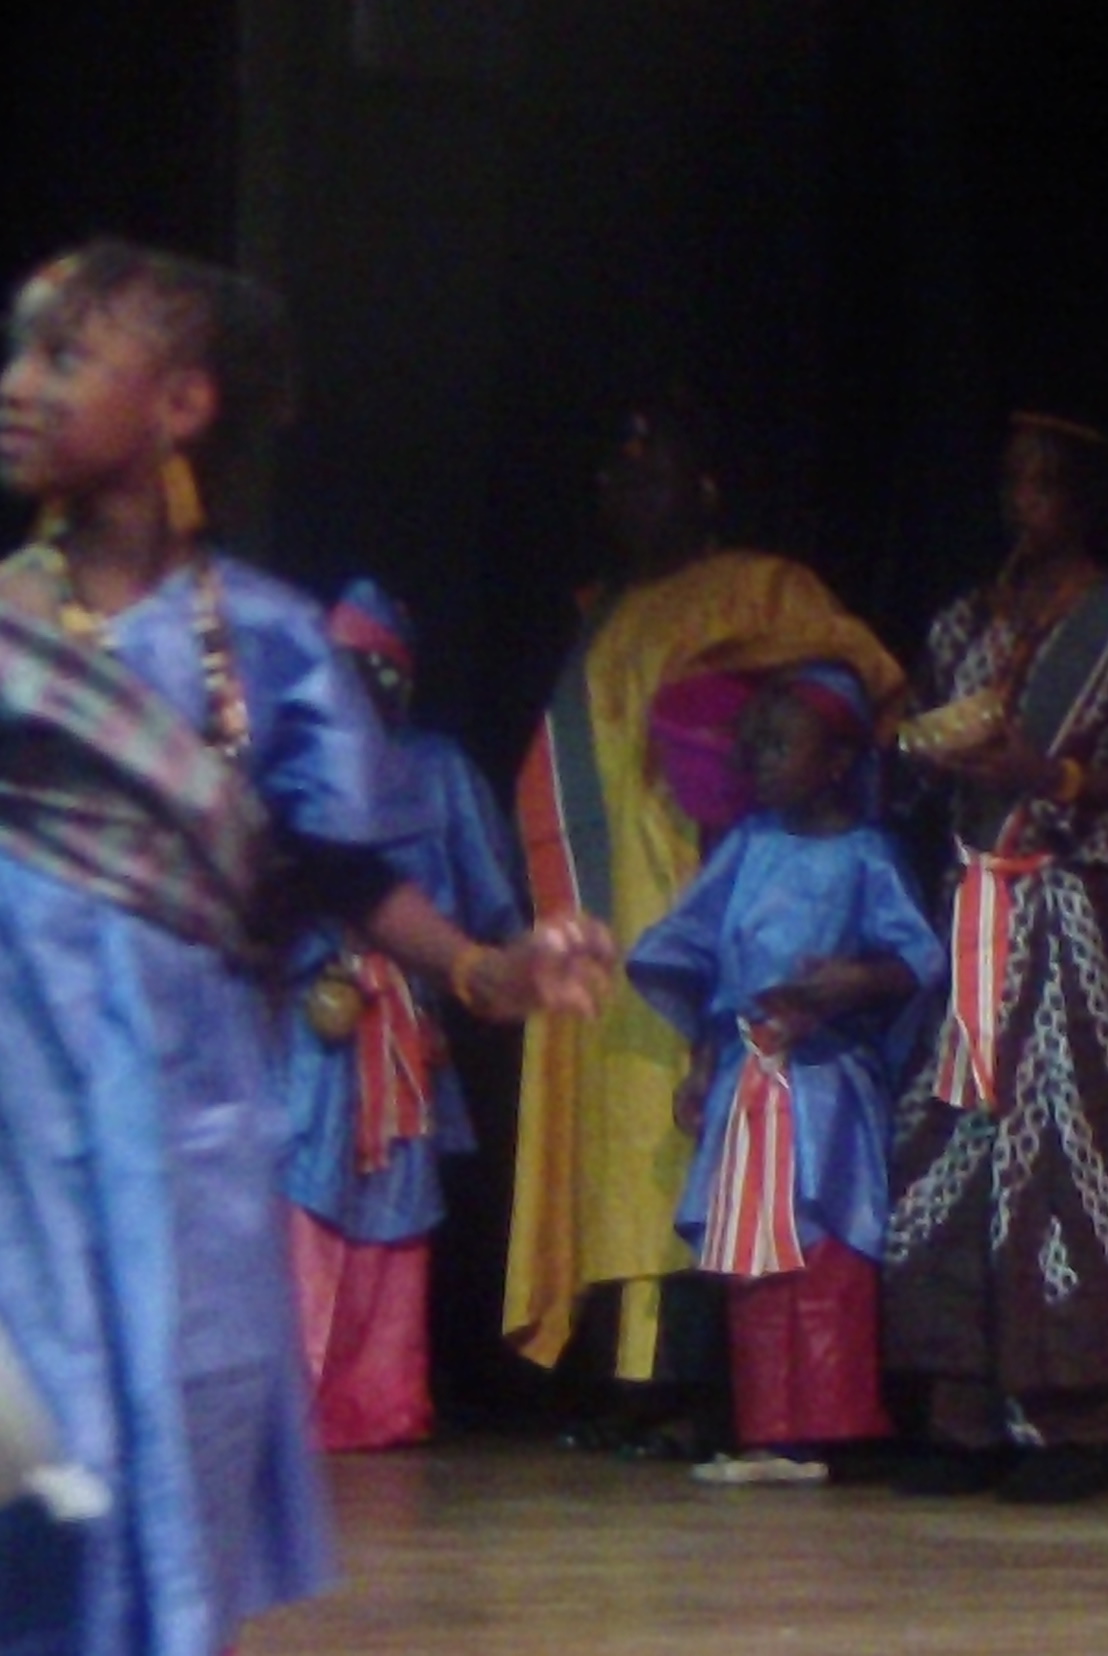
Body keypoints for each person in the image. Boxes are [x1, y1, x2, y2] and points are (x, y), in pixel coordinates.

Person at [0, 239, 613, 1656]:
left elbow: (341, 871)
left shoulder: (267, 650)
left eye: (65, 357)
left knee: (157, 1460)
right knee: (37, 1478)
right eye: (21, 349)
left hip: (178, 1135)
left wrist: (488, 968)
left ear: (180, 407)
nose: (21, 385)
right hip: (19, 1128)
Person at [505, 396, 905, 1443]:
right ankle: (629, 1378)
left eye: (653, 474)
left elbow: (851, 682)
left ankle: (696, 1390)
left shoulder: (759, 588)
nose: (626, 495)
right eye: (612, 480)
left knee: (697, 1151)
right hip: (617, 924)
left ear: (707, 490)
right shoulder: (598, 611)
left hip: (728, 905)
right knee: (617, 1148)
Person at [882, 412, 1108, 1505]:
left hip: (1074, 913)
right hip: (972, 910)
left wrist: (1043, 773)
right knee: (953, 1140)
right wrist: (920, 753)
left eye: (1049, 482)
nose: (1026, 500)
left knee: (1072, 1145)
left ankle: (1072, 1419)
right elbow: (913, 761)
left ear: (1088, 499)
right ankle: (962, 1411)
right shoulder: (963, 622)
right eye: (1013, 480)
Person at [627, 663, 944, 1487]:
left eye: (780, 743)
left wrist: (855, 982)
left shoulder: (869, 855)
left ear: (838, 760)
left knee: (825, 1246)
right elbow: (695, 952)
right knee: (754, 1253)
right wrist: (703, 1059)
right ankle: (767, 1428)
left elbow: (916, 957)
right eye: (754, 745)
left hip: (827, 1084)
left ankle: (829, 1427)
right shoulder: (746, 848)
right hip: (748, 1073)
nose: (759, 760)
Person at [278, 579, 527, 1453]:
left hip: (404, 1014)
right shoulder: (295, 763)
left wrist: (497, 969)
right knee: (299, 1191)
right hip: (308, 1015)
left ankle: (377, 1402)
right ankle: (292, 1404)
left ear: (402, 682)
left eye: (374, 675)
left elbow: (491, 901)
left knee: (395, 1201)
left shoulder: (439, 769)